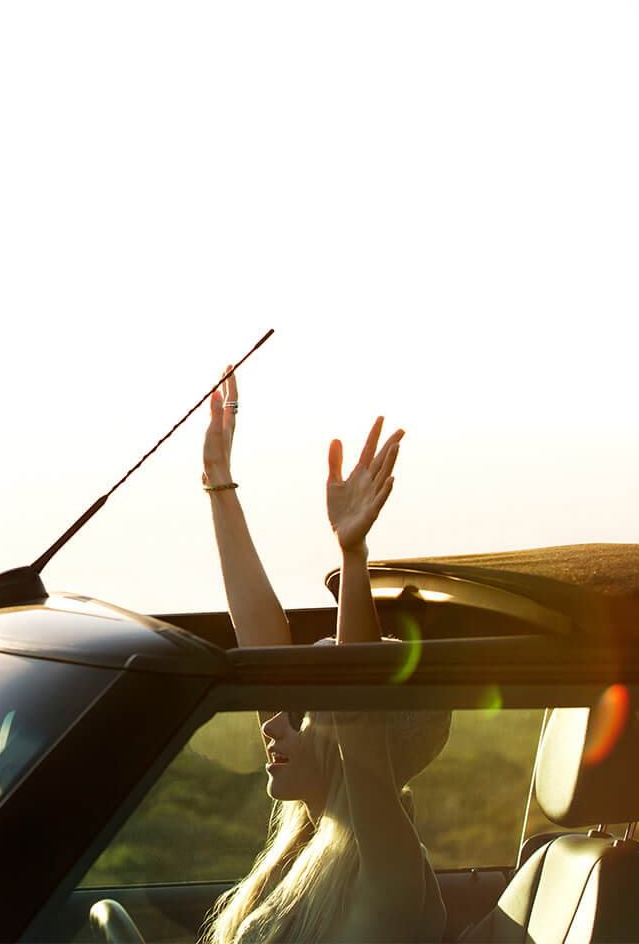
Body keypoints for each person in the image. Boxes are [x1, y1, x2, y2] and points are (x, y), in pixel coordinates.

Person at [199, 367, 450, 944]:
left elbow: (356, 710)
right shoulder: (311, 841)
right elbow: (262, 648)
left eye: (308, 711)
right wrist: (219, 482)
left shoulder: (389, 867)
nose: (274, 723)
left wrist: (352, 555)